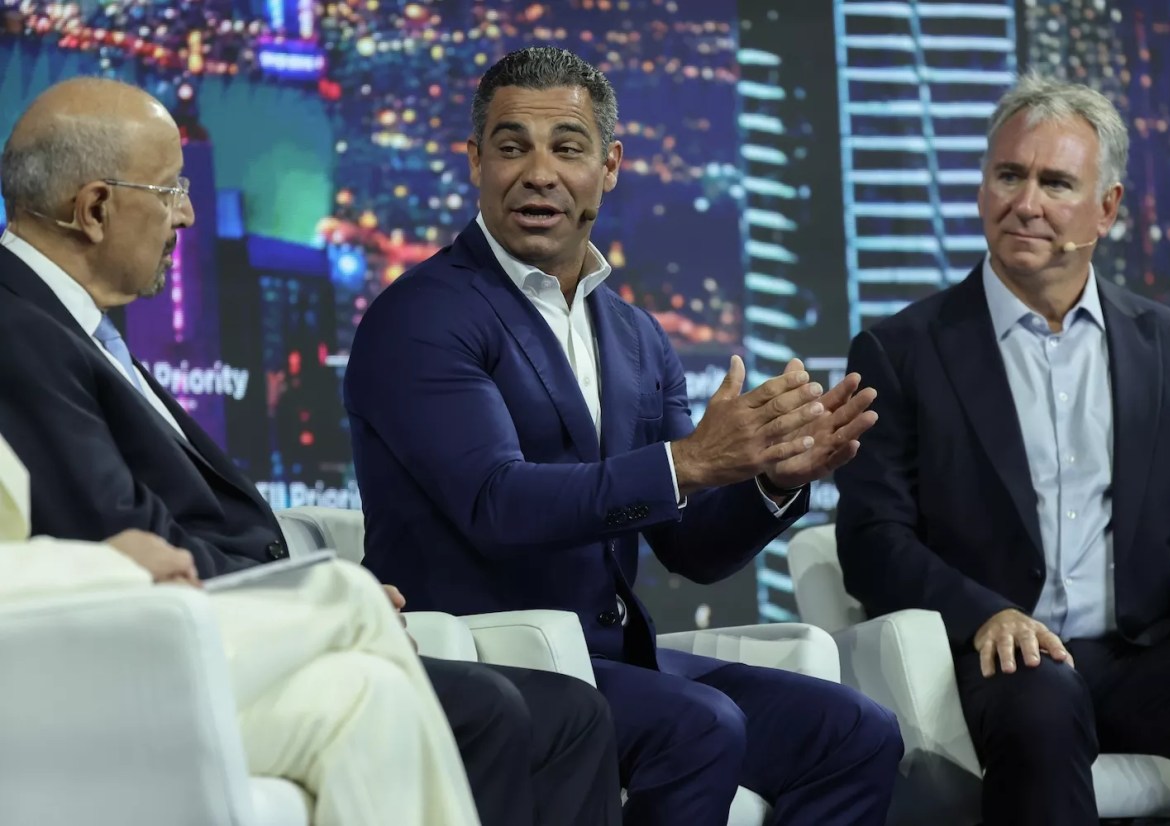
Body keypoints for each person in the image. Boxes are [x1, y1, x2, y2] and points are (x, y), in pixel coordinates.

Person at [0, 76, 621, 826]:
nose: (188, 215)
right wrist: (307, 592)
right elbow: (115, 530)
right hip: (157, 644)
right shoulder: (20, 328)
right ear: (95, 208)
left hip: (206, 626)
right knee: (475, 698)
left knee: (561, 714)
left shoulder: (74, 326)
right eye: (170, 192)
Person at [344, 46, 903, 826]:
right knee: (701, 729)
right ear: (475, 162)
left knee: (855, 733)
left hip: (612, 661)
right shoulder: (423, 316)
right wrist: (689, 460)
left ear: (609, 167)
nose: (538, 172)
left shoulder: (636, 335)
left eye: (566, 148)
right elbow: (496, 501)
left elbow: (691, 547)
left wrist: (771, 480)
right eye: (512, 146)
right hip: (484, 663)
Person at [834, 72, 1170, 826]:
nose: (1026, 203)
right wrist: (987, 614)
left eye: (1055, 183)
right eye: (1008, 175)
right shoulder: (902, 350)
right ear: (984, 185)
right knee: (1042, 708)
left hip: (1145, 646)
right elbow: (870, 539)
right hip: (1004, 654)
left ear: (1107, 208)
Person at [0, 430, 479, 826]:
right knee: (344, 592)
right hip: (50, 668)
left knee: (372, 691)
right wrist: (106, 562)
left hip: (67, 651)